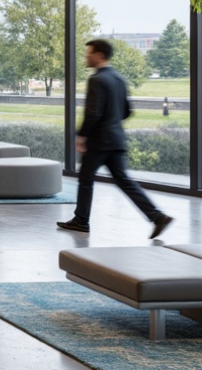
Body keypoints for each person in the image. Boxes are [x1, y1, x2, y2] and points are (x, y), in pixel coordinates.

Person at [58, 39, 173, 238]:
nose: (87, 56)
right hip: (116, 139)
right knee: (124, 180)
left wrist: (82, 135)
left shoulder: (96, 79)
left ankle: (81, 221)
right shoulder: (119, 78)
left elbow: (93, 113)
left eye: (89, 53)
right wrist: (112, 122)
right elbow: (127, 111)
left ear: (99, 55)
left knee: (86, 178)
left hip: (99, 140)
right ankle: (156, 216)